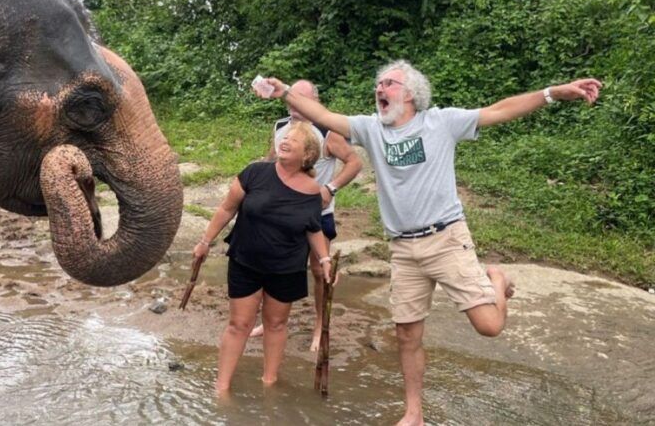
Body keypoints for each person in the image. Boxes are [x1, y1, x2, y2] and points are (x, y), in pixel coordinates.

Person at [257, 61, 601, 426]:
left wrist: (554, 93)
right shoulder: (372, 129)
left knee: (489, 326)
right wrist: (286, 93)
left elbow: (500, 110)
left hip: (446, 238)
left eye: (389, 83)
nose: (380, 89)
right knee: (407, 333)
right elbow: (324, 114)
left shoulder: (441, 122)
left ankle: (496, 280)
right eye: (378, 83)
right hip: (403, 249)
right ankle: (414, 413)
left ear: (411, 94)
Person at [193, 122, 333, 394]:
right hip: (246, 261)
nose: (285, 141)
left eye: (293, 140)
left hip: (286, 267)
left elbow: (313, 228)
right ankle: (221, 388)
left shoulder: (313, 190)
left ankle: (269, 383)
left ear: (307, 155)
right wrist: (204, 242)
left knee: (276, 324)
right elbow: (226, 209)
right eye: (285, 136)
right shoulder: (255, 173)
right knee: (239, 324)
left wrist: (325, 260)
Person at [249, 79, 362, 351]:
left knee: (319, 270)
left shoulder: (327, 130)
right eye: (291, 97)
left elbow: (355, 162)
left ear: (314, 100)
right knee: (274, 266)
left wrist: (330, 188)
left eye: (301, 97)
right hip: (282, 214)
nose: (294, 103)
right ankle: (270, 320)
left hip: (317, 215)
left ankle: (320, 327)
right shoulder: (280, 128)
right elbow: (271, 161)